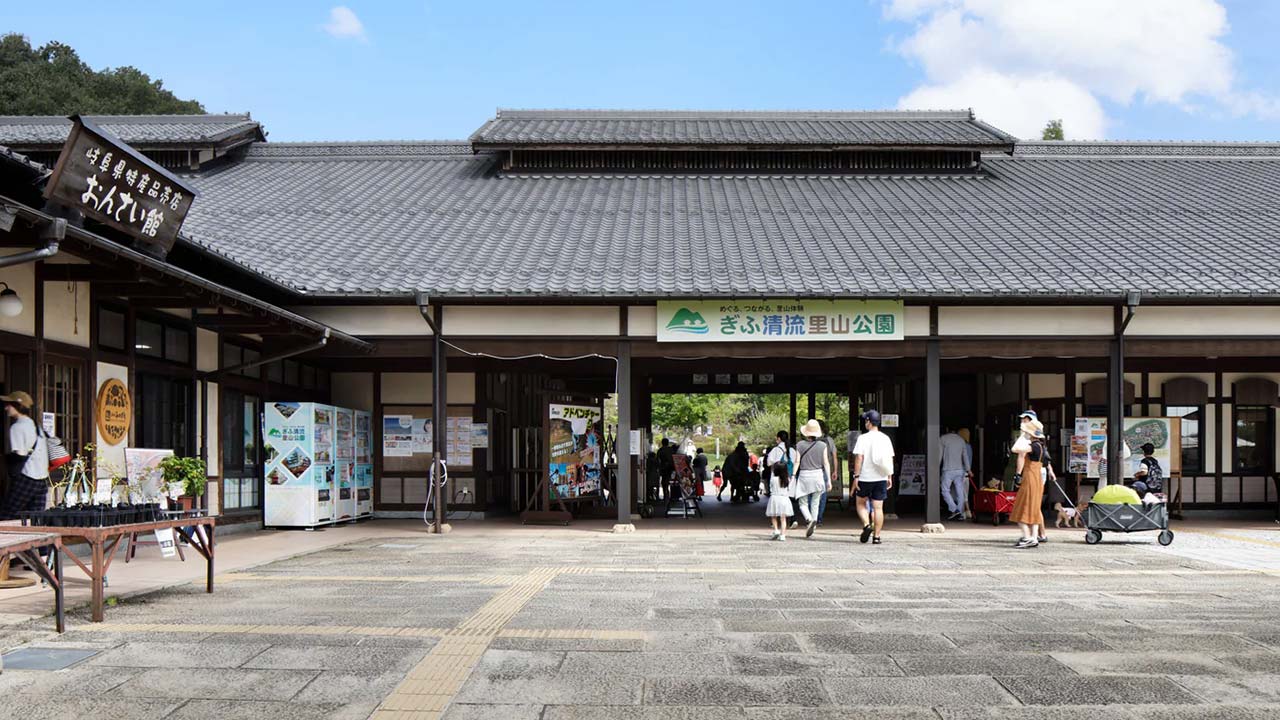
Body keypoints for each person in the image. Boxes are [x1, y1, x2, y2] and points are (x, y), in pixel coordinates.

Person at [1, 391, 50, 520]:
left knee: (7, 515)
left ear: (18, 406)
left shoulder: (17, 427)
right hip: (42, 480)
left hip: (27, 477)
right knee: (35, 520)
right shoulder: (36, 426)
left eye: (9, 405)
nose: (6, 408)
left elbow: (20, 454)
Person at [852, 410, 894, 545]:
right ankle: (877, 537)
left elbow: (859, 457)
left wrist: (856, 476)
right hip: (881, 477)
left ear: (869, 422)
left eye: (866, 421)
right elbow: (889, 458)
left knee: (860, 503)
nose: (865, 423)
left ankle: (866, 525)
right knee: (878, 508)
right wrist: (889, 476)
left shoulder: (863, 438)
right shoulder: (885, 438)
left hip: (865, 477)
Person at [1009, 411, 1048, 549]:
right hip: (1036, 478)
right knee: (1034, 508)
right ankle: (1033, 537)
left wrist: (1021, 436)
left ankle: (1027, 537)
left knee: (1022, 507)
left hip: (1030, 477)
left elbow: (1015, 449)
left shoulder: (1034, 446)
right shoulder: (1041, 446)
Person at [793, 420, 832, 538]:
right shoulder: (823, 445)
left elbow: (797, 461)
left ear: (806, 433)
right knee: (815, 502)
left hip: (805, 475)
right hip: (818, 475)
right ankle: (813, 526)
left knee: (802, 502)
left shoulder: (800, 445)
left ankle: (809, 520)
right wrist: (829, 480)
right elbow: (826, 463)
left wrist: (793, 475)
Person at [765, 431, 799, 526]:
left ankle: (775, 521)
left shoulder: (775, 450)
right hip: (789, 477)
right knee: (788, 499)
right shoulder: (792, 450)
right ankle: (793, 519)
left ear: (779, 438)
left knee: (776, 498)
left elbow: (768, 463)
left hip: (777, 477)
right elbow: (797, 462)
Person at [939, 426, 972, 521]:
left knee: (945, 490)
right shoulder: (961, 440)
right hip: (960, 470)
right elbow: (965, 456)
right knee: (960, 491)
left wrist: (936, 466)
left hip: (948, 469)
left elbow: (940, 454)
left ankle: (954, 508)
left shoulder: (943, 438)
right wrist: (968, 469)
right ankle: (960, 512)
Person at [816, 419, 839, 524]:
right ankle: (819, 518)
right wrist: (835, 471)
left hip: (813, 470)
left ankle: (812, 517)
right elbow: (834, 456)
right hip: (825, 469)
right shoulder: (829, 440)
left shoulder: (810, 439)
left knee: (812, 494)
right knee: (823, 495)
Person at [765, 462, 794, 541]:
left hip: (774, 498)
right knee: (783, 518)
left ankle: (776, 530)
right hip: (784, 499)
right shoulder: (787, 479)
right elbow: (790, 488)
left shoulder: (773, 479)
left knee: (773, 516)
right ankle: (783, 535)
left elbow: (770, 487)